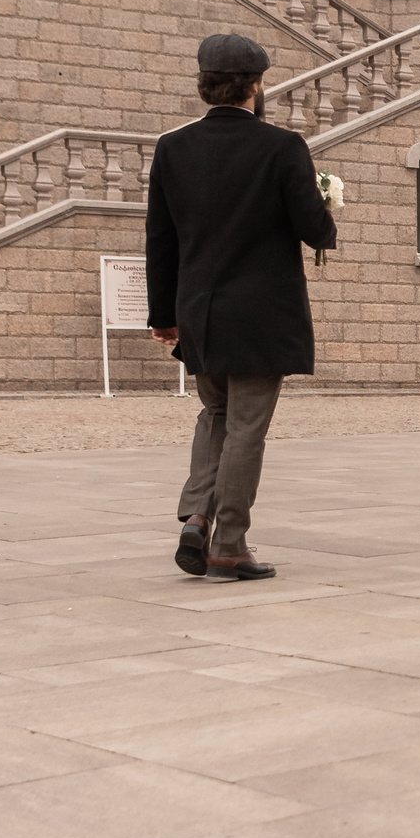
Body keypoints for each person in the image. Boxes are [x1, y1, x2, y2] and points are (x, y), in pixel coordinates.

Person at [145, 33, 336, 580]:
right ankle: (228, 542)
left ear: (204, 85)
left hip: (199, 312)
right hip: (262, 315)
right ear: (255, 85)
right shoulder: (282, 147)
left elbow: (160, 238)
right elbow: (316, 232)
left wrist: (163, 316)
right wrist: (323, 197)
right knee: (246, 425)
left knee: (216, 414)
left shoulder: (172, 147)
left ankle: (196, 514)